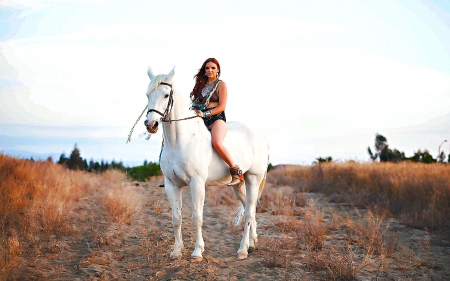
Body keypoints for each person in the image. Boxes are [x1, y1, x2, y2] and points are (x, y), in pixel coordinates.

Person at [190, 58, 243, 186]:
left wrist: (206, 113)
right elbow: (196, 104)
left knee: (216, 142)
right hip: (200, 119)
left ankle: (236, 171)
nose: (210, 70)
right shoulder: (200, 86)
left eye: (213, 68)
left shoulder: (221, 84)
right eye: (207, 68)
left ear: (217, 69)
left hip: (216, 118)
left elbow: (222, 106)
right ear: (204, 70)